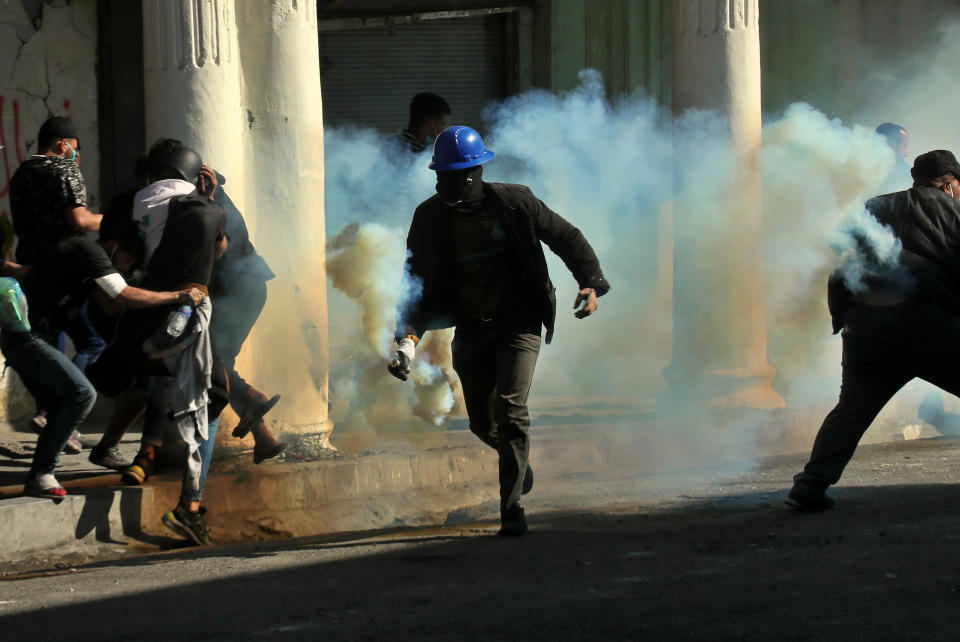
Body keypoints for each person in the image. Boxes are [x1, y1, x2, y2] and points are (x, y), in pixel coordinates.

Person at [387, 126, 610, 536]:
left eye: (452, 176)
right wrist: (406, 340)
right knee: (480, 424)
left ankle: (512, 511)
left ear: (474, 173)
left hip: (519, 322)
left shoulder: (515, 202)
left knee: (511, 409)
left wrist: (591, 282)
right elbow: (413, 280)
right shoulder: (430, 217)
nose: (443, 183)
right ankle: (518, 465)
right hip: (472, 326)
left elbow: (566, 236)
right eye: (439, 175)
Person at [787, 149, 960, 511]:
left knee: (851, 410)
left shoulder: (873, 207)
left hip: (866, 328)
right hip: (928, 326)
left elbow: (843, 265)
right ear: (948, 184)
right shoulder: (952, 210)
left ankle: (811, 484)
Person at [0, 219, 203, 498]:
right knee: (81, 394)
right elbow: (124, 295)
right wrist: (176, 296)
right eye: (127, 258)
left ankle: (41, 473)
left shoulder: (75, 253)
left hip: (20, 338)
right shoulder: (89, 252)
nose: (124, 267)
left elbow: (109, 303)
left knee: (61, 403)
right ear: (113, 244)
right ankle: (42, 473)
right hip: (28, 338)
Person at [9, 116, 106, 446]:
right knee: (92, 341)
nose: (75, 156)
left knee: (48, 338)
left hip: (31, 267)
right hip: (65, 269)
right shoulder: (64, 169)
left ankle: (52, 414)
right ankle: (64, 409)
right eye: (74, 150)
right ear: (63, 144)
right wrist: (109, 220)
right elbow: (79, 220)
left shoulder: (22, 173)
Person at [209, 172, 284, 464]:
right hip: (248, 286)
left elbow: (219, 248)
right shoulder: (218, 199)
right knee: (220, 364)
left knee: (213, 364)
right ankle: (263, 439)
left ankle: (251, 396)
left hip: (235, 288)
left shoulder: (209, 204)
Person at [386, 92, 451, 155]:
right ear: (430, 124)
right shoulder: (393, 148)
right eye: (442, 124)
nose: (443, 130)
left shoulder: (432, 147)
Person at [876, 122, 911, 193]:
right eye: (904, 146)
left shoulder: (858, 167)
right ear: (893, 145)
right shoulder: (905, 173)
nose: (906, 153)